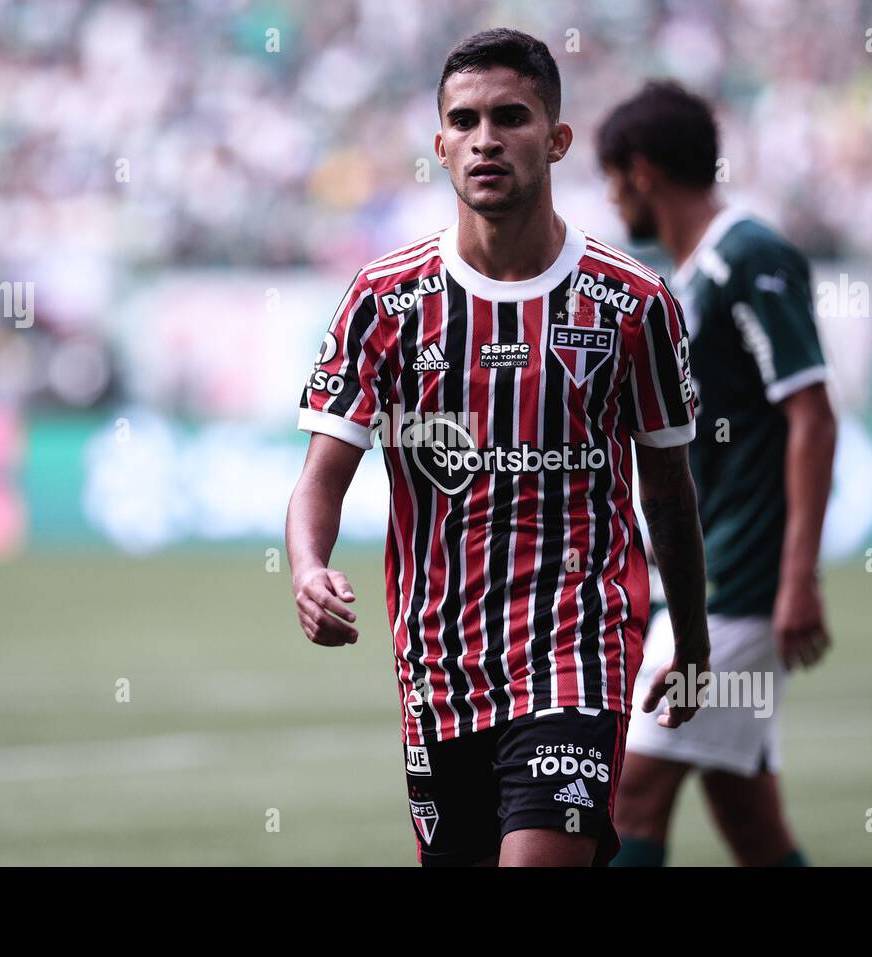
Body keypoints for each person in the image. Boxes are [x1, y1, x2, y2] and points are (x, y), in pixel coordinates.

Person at [287, 30, 708, 866]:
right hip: (437, 664)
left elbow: (667, 486)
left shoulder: (632, 304)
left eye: (511, 117)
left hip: (576, 648)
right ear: (440, 143)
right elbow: (321, 477)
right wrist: (307, 567)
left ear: (556, 138)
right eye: (465, 120)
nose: (486, 138)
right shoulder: (385, 301)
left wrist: (691, 638)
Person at [597, 80, 836, 866]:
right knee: (748, 818)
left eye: (610, 177)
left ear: (639, 172)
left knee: (629, 790)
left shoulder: (749, 257)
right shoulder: (694, 273)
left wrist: (796, 579)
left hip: (742, 582)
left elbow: (811, 414)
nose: (610, 197)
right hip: (712, 577)